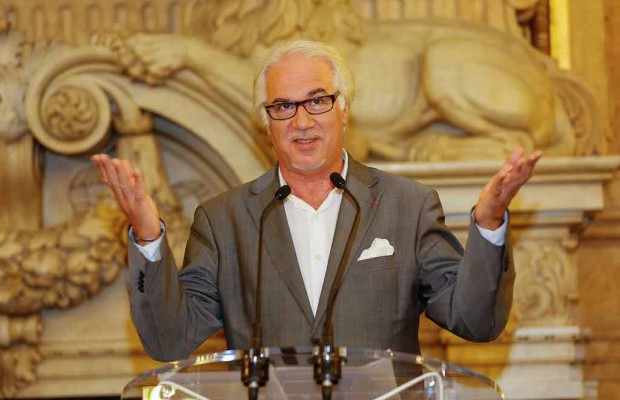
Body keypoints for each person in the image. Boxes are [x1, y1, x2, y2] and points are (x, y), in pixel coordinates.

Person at [92, 40, 541, 362]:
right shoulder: (224, 220)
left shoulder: (407, 206)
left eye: (317, 101)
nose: (302, 121)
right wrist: (147, 236)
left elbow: (476, 321)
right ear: (266, 122)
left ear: (344, 108)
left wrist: (489, 222)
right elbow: (169, 340)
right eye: (283, 107)